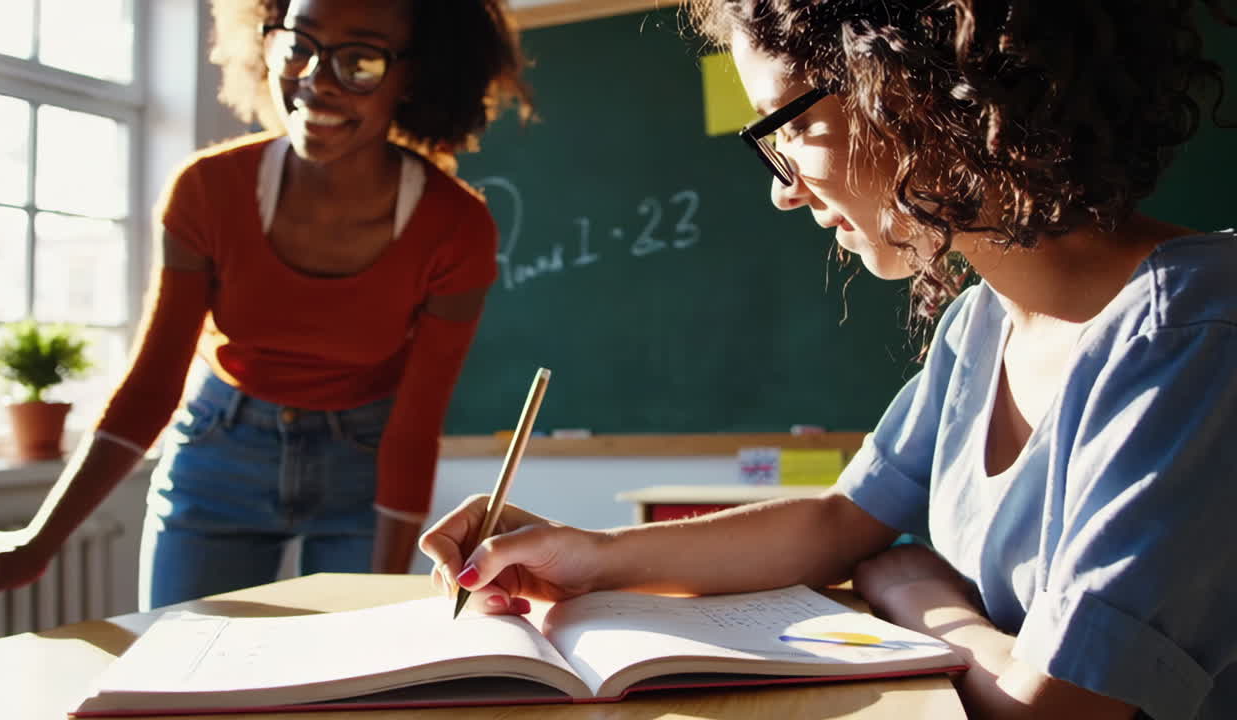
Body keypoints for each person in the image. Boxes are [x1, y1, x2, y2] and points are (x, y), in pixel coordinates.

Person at [420, 1, 1236, 718]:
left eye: (792, 125)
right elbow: (842, 522)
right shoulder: (980, 323)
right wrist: (590, 556)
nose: (782, 188)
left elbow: (1056, 707)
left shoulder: (1194, 334)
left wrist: (918, 593)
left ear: (916, 85)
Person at [0, 0, 531, 611]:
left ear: (413, 74)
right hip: (219, 447)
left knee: (353, 665)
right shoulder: (206, 191)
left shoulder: (456, 227)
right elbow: (152, 386)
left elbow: (414, 427)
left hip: (364, 463)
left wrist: (385, 597)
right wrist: (39, 540)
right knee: (181, 659)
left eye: (360, 60)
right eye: (299, 46)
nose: (316, 80)